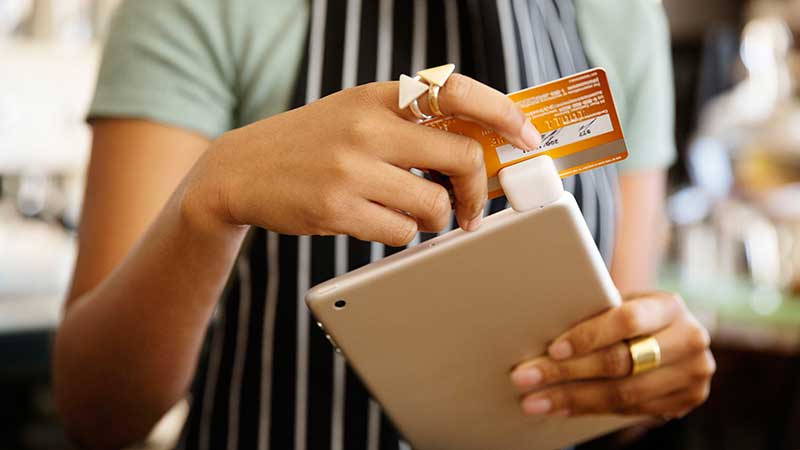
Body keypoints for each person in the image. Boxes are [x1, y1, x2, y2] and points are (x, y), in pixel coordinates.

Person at [52, 0, 715, 449]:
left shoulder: (622, 13)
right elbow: (98, 410)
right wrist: (208, 201)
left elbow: (611, 370)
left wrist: (645, 366)